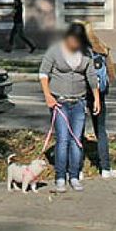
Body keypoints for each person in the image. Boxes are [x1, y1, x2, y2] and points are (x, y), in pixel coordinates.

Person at [38, 23, 101, 192]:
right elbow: (43, 73)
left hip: (79, 102)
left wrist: (96, 98)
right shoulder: (55, 51)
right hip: (59, 102)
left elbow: (91, 76)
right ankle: (60, 177)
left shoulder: (86, 53)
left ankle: (74, 175)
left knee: (76, 140)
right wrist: (48, 96)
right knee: (63, 140)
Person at [81, 22, 116, 178]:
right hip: (100, 95)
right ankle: (105, 169)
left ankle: (78, 171)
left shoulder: (77, 51)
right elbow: (112, 75)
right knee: (101, 130)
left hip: (81, 94)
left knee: (78, 132)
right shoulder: (103, 49)